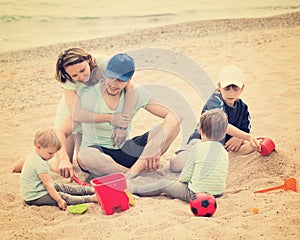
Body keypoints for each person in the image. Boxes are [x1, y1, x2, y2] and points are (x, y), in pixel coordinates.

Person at [56, 53, 181, 180]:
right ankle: (136, 175)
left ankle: (132, 173)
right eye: (111, 77)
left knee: (167, 129)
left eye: (121, 80)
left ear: (130, 78)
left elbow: (175, 114)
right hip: (98, 154)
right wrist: (64, 159)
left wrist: (155, 145)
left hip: (125, 150)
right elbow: (61, 131)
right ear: (105, 73)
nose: (114, 84)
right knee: (85, 156)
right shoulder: (88, 95)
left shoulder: (136, 93)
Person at [11, 47, 136, 173]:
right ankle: (29, 161)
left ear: (88, 60)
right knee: (63, 164)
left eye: (82, 70)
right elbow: (77, 114)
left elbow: (130, 88)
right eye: (75, 75)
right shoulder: (67, 79)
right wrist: (63, 158)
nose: (81, 77)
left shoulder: (104, 63)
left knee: (89, 159)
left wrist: (122, 125)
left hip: (94, 110)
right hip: (73, 112)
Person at [170, 65, 261, 172]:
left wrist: (240, 138)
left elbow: (245, 129)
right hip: (202, 142)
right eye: (227, 88)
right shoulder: (215, 101)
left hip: (223, 147)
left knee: (253, 146)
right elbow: (223, 125)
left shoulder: (243, 107)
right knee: (176, 165)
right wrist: (247, 136)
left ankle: (219, 159)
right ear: (219, 86)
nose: (231, 93)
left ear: (242, 88)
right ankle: (206, 159)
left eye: (235, 88)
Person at [127, 109, 229, 201]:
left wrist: (180, 180)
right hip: (218, 192)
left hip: (196, 194)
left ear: (200, 130)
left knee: (163, 185)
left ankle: (135, 189)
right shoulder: (224, 152)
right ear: (224, 133)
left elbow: (186, 175)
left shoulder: (197, 148)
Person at [20, 129, 98, 210]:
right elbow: (48, 185)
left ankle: (90, 190)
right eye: (50, 153)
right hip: (35, 196)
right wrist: (59, 200)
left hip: (37, 189)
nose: (53, 156)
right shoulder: (40, 164)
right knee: (63, 196)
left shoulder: (34, 156)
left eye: (54, 153)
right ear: (38, 147)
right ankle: (91, 198)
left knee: (60, 186)